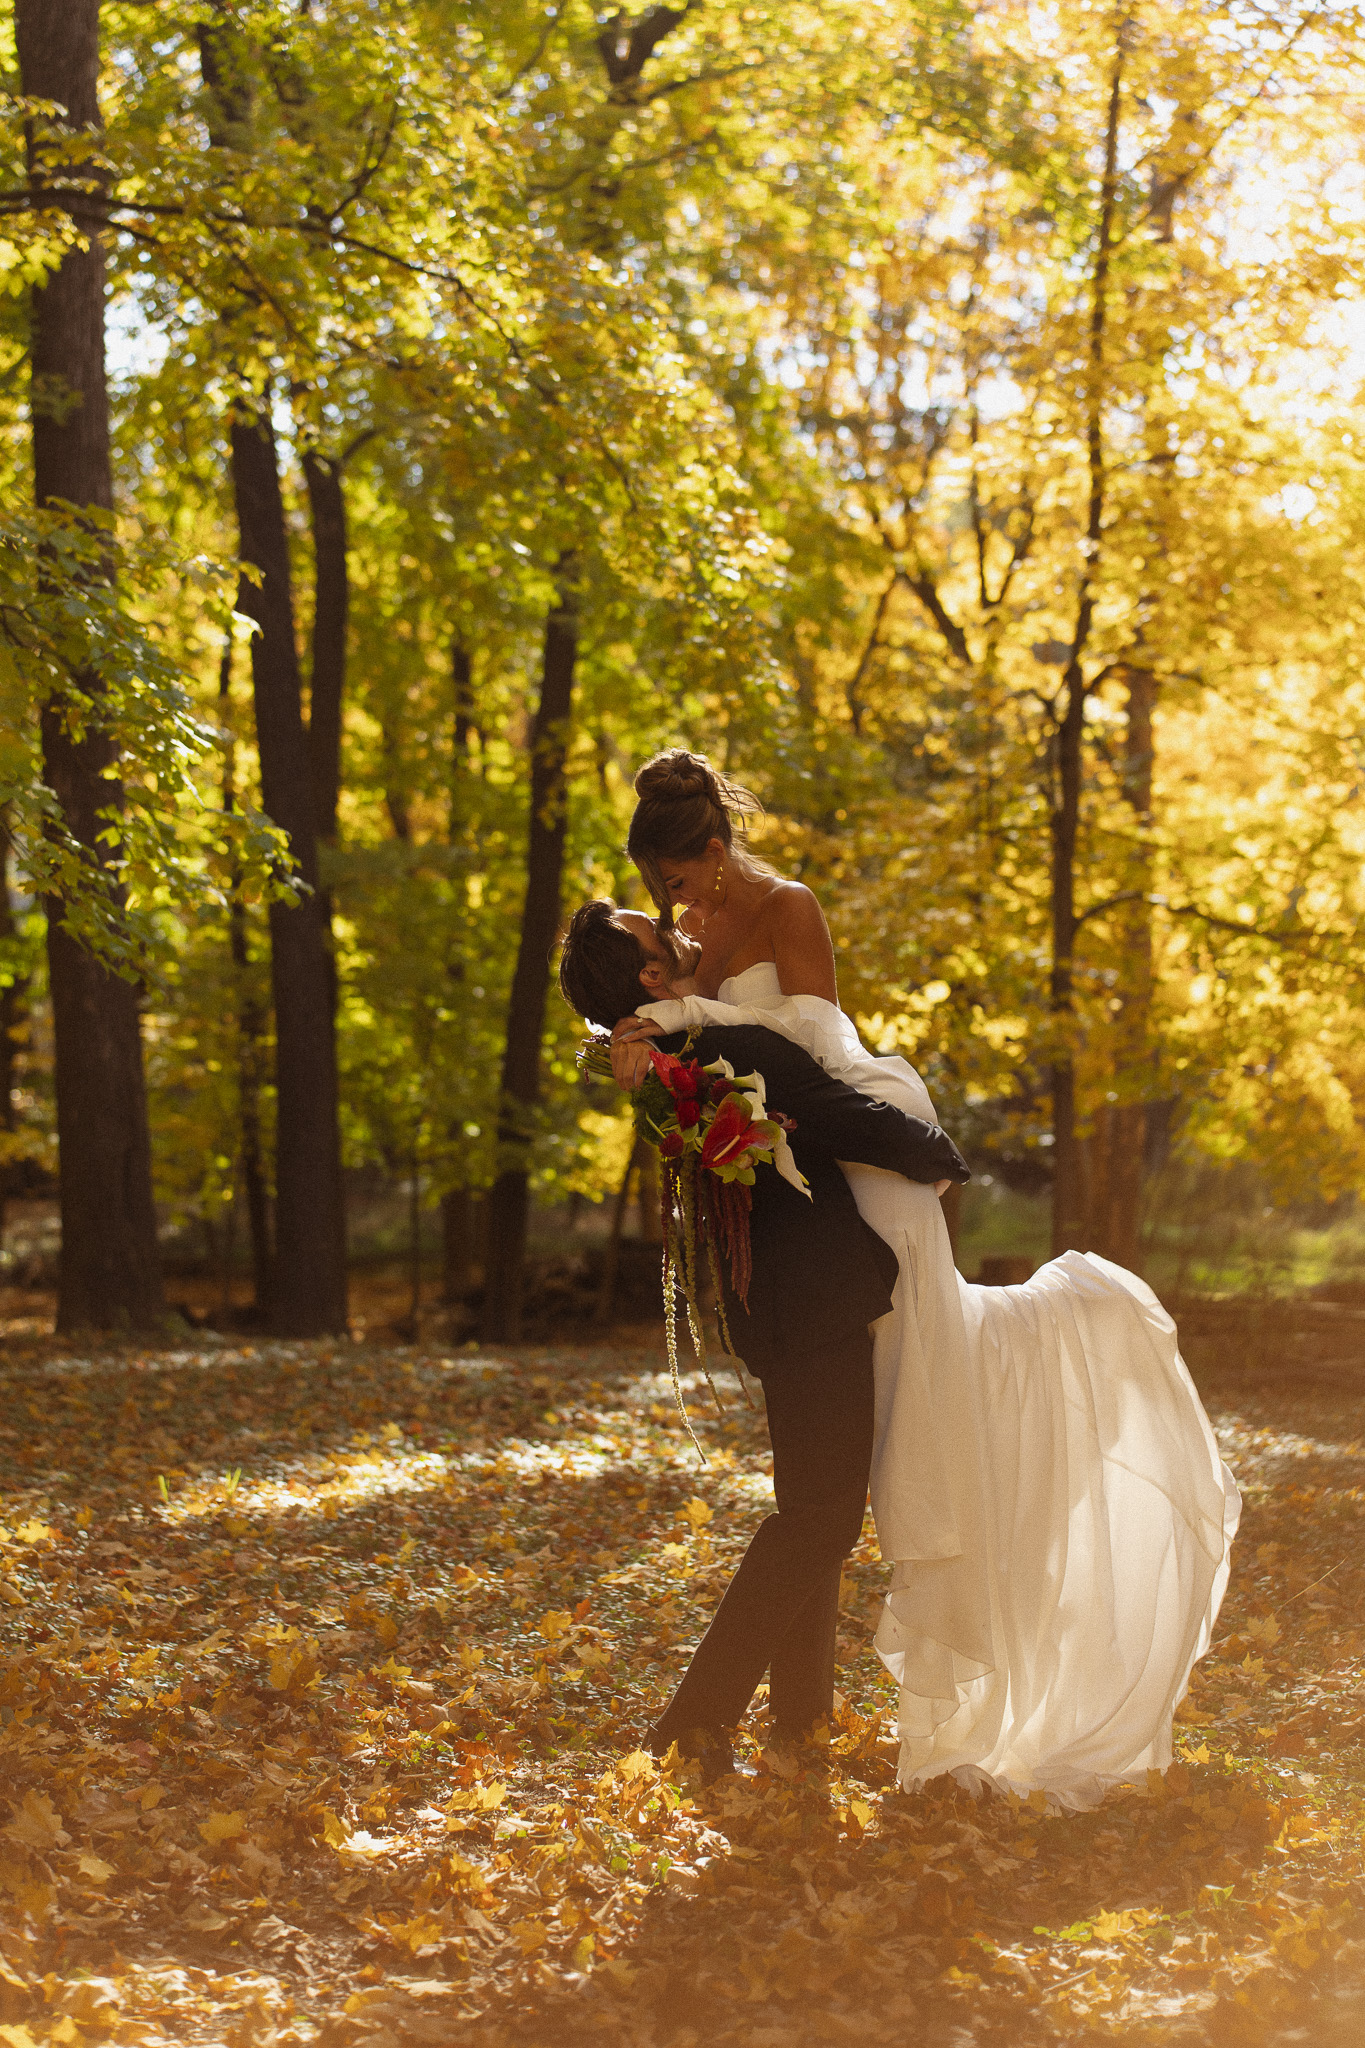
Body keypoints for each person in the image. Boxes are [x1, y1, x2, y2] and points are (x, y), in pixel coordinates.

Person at [598, 751, 1242, 1809]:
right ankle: (778, 1716)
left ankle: (761, 1717)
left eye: (676, 880)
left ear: (713, 854)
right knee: (818, 1492)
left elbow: (807, 1053)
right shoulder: (689, 947)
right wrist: (662, 1032)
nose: (671, 906)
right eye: (660, 891)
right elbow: (712, 1086)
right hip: (783, 1232)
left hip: (852, 1173)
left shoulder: (786, 909)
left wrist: (701, 1022)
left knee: (832, 1481)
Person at [558, 899, 971, 1777]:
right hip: (813, 1294)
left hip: (773, 1302)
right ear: (649, 974)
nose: (669, 926)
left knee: (811, 1512)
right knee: (819, 1524)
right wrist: (938, 1152)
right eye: (650, 931)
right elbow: (829, 1109)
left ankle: (800, 1727)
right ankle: (691, 1724)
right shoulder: (717, 1050)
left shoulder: (660, 1059)